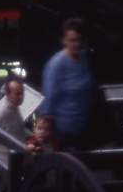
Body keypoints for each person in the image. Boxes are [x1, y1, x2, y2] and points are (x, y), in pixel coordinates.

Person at [41, 19, 95, 150]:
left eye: (79, 40)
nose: (76, 44)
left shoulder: (84, 58)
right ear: (64, 40)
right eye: (72, 40)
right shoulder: (56, 64)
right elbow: (49, 97)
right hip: (64, 129)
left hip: (84, 125)